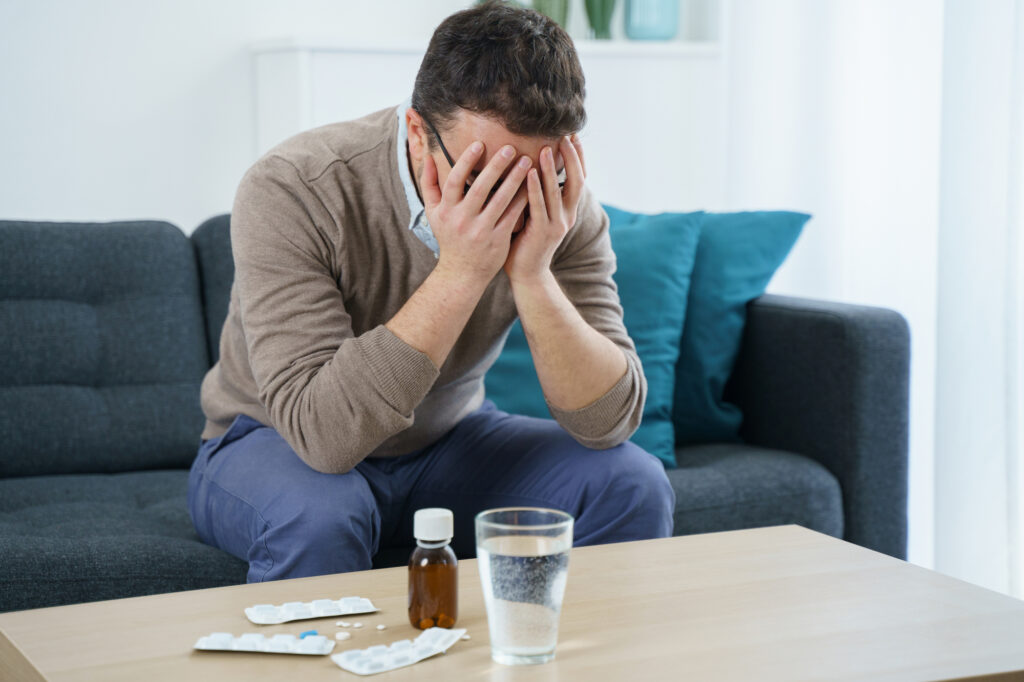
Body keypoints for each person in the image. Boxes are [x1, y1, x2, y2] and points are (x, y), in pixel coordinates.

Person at [188, 0, 674, 583]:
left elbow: (608, 423)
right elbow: (322, 435)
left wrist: (533, 273)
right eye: (483, 178)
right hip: (270, 439)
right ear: (418, 134)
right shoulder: (294, 186)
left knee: (632, 483)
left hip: (449, 440)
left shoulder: (560, 210)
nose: (511, 206)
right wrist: (462, 271)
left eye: (534, 177)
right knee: (322, 515)